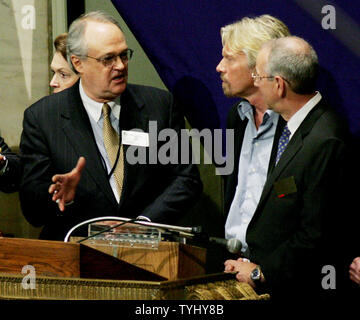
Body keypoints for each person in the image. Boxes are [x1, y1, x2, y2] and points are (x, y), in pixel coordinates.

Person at [19, 11, 202, 241]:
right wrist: (61, 196)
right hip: (77, 257)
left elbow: (186, 180)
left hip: (150, 253)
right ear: (78, 63)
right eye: (108, 59)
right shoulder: (43, 118)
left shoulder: (160, 106)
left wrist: (143, 225)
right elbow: (32, 209)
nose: (120, 66)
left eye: (124, 55)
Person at [224, 36, 351, 299]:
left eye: (258, 76)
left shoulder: (325, 141)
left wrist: (260, 272)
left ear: (279, 85)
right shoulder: (295, 127)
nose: (255, 82)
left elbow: (315, 235)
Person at [215, 15, 290, 258]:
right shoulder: (237, 118)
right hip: (234, 261)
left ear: (258, 66)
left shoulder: (297, 127)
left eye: (228, 58)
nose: (219, 67)